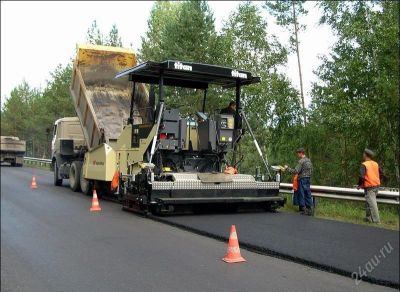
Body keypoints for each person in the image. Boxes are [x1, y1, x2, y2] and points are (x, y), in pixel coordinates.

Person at [284, 148, 313, 215]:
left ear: (301, 153)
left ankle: (304, 209)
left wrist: (287, 168)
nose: (297, 155)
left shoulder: (301, 161)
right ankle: (309, 209)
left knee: (302, 194)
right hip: (308, 179)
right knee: (307, 193)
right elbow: (311, 170)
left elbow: (296, 171)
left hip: (302, 179)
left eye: (298, 153)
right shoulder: (309, 161)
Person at [357, 149, 382, 224]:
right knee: (369, 202)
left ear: (365, 154)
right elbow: (381, 173)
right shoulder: (375, 163)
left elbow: (361, 176)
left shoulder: (364, 164)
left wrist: (359, 185)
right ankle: (368, 218)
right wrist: (377, 180)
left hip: (370, 186)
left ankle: (376, 221)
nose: (362, 155)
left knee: (372, 204)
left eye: (363, 153)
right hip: (376, 186)